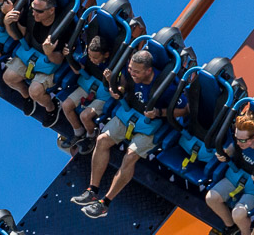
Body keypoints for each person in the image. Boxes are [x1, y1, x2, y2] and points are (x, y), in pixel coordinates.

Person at [75, 49, 187, 219]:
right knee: (102, 140)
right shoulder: (129, 73)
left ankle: (105, 203)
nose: (132, 72)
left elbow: (183, 110)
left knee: (130, 155)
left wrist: (159, 112)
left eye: (136, 71)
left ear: (148, 70)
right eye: (130, 69)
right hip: (129, 113)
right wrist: (117, 89)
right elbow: (124, 86)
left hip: (150, 124)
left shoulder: (167, 86)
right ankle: (92, 190)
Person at [1, 0, 69, 126]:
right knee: (8, 77)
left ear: (51, 10)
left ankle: (51, 107)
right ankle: (26, 97)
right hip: (30, 54)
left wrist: (49, 52)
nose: (34, 13)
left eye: (39, 11)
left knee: (36, 91)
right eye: (33, 8)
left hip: (49, 63)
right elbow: (18, 35)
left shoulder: (63, 27)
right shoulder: (31, 14)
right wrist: (7, 22)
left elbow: (59, 60)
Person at [205, 108, 254, 235]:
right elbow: (232, 149)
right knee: (211, 198)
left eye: (243, 140)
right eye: (237, 138)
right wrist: (225, 153)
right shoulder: (239, 141)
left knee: (238, 214)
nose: (239, 142)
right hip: (236, 175)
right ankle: (230, 227)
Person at [57, 34, 113, 155]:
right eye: (90, 56)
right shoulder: (89, 57)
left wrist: (110, 80)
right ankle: (78, 133)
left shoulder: (113, 64)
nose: (92, 59)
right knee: (66, 105)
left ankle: (91, 135)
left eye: (95, 58)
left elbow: (117, 89)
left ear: (106, 55)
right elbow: (78, 69)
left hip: (103, 94)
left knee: (85, 116)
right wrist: (69, 57)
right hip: (87, 85)